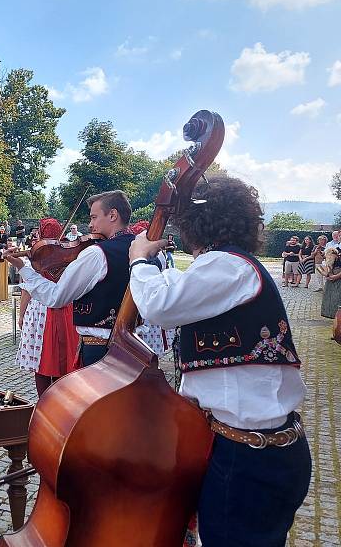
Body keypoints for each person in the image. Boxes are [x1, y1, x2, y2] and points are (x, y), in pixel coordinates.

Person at [128, 175, 311, 546]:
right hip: (259, 452)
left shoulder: (228, 266)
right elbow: (181, 292)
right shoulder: (230, 266)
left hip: (246, 460)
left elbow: (160, 306)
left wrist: (139, 261)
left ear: (198, 221)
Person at [5, 190, 135, 367]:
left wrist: (23, 268)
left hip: (100, 350)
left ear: (112, 215)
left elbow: (56, 297)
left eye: (94, 217)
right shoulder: (144, 250)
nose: (90, 224)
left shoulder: (97, 254)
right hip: (135, 347)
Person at [16, 218, 81, 396]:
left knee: (42, 360)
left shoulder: (38, 254)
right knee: (63, 358)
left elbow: (28, 288)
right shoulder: (70, 253)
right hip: (66, 307)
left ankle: (45, 400)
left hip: (40, 310)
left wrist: (21, 315)